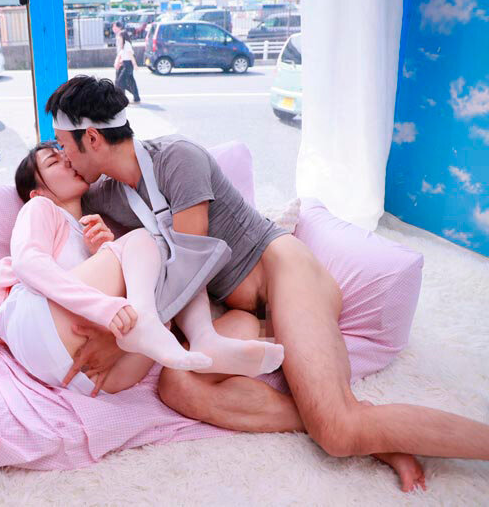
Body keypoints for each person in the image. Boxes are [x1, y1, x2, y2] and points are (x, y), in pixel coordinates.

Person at [44, 75, 489, 487]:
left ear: (93, 138)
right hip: (241, 311)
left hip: (284, 274)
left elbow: (189, 267)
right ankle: (371, 430)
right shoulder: (107, 196)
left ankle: (351, 424)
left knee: (337, 433)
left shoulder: (178, 159)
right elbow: (67, 221)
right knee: (179, 384)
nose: (64, 157)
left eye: (64, 146)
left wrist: (125, 338)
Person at [0, 142, 285, 397]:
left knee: (163, 296)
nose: (67, 160)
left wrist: (102, 250)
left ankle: (205, 342)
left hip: (84, 378)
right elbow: (28, 262)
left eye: (65, 154)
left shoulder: (89, 230)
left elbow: (96, 281)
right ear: (37, 193)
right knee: (148, 241)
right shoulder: (40, 208)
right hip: (40, 326)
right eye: (54, 162)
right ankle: (192, 333)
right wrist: (107, 308)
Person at [114, 30, 141, 103]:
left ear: (123, 37)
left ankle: (124, 99)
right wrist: (119, 62)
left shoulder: (127, 44)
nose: (118, 39)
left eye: (119, 37)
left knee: (120, 81)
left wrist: (135, 65)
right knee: (131, 82)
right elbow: (123, 55)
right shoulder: (122, 45)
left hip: (128, 65)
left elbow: (131, 56)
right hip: (125, 64)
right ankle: (136, 98)